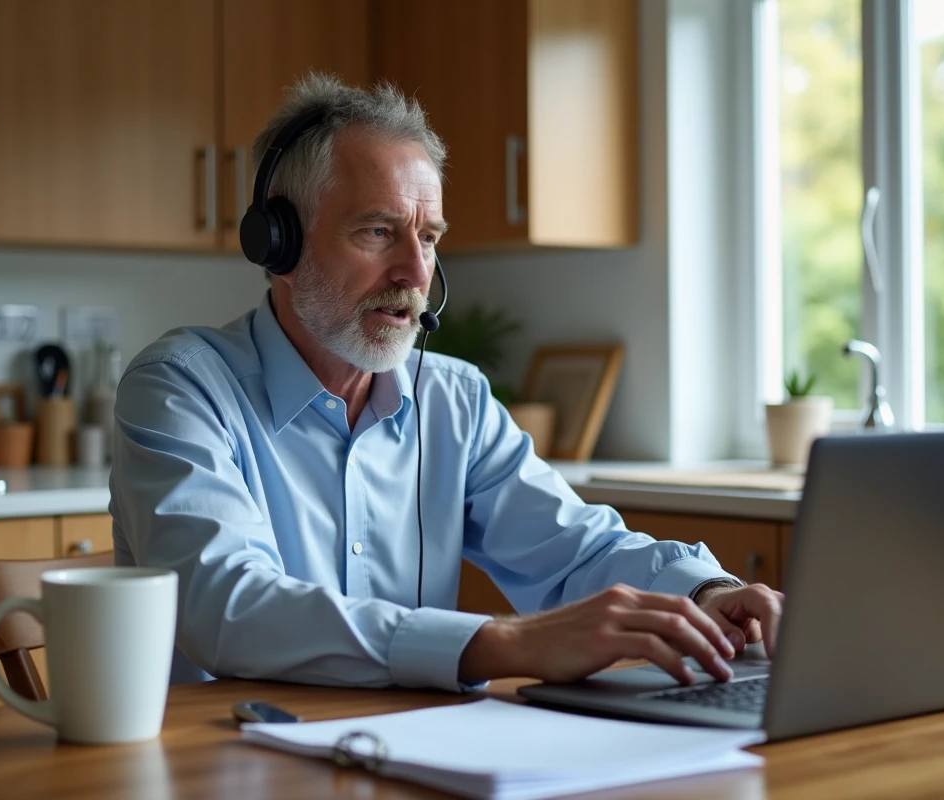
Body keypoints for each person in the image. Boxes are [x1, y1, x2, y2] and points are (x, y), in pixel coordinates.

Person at [110, 74, 783, 691]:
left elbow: (576, 547)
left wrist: (704, 594)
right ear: (279, 245)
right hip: (229, 760)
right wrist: (499, 643)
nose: (414, 270)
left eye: (428, 237)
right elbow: (228, 608)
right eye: (378, 231)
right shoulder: (180, 388)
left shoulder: (452, 399)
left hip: (413, 754)